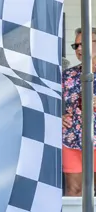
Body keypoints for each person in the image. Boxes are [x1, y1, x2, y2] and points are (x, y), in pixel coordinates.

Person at [63, 27, 96, 197]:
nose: (79, 49)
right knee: (74, 191)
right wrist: (59, 116)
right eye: (76, 46)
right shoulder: (67, 75)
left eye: (84, 44)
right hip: (72, 139)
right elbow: (49, 102)